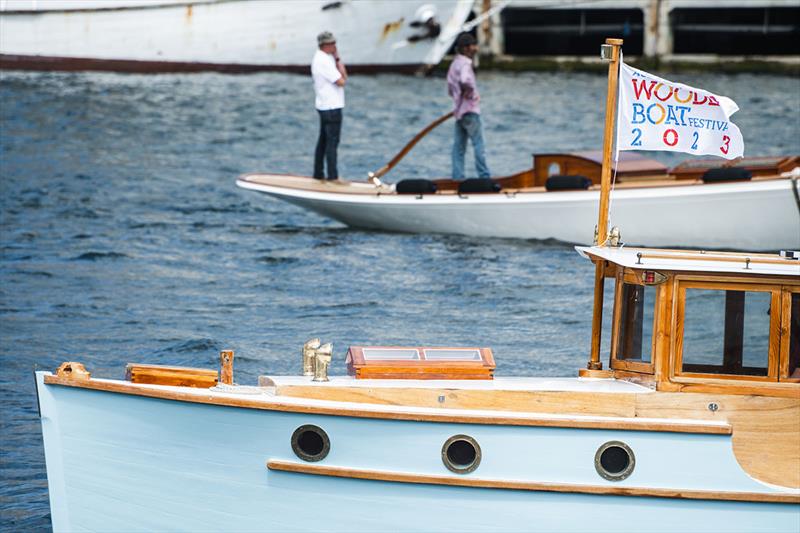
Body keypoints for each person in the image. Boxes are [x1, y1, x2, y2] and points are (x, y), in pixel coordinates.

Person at [447, 32, 490, 181]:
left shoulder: (454, 63)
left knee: (458, 148)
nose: (476, 48)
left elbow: (450, 87)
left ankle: (457, 178)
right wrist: (471, 93)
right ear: (466, 48)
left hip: (459, 112)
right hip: (470, 111)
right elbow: (465, 80)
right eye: (474, 45)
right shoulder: (465, 62)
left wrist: (459, 96)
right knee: (479, 145)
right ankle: (485, 177)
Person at [311, 31, 347, 180]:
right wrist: (338, 59)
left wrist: (336, 58)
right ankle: (333, 177)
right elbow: (342, 80)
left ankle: (318, 173)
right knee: (332, 143)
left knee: (323, 141)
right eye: (332, 44)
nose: (335, 46)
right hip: (332, 107)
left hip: (324, 105)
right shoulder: (324, 61)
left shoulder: (320, 58)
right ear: (325, 45)